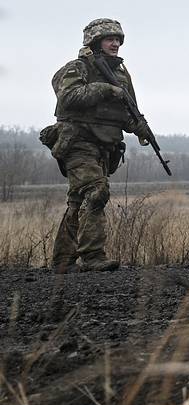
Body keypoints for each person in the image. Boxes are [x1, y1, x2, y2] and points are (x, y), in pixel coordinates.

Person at [40, 18, 155, 273]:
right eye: (109, 39)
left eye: (118, 39)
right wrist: (103, 89)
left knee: (78, 199)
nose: (115, 43)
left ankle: (62, 261)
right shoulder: (76, 68)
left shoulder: (121, 74)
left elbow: (126, 110)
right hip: (77, 141)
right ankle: (93, 257)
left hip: (104, 144)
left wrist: (138, 128)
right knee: (96, 191)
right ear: (94, 41)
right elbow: (68, 99)